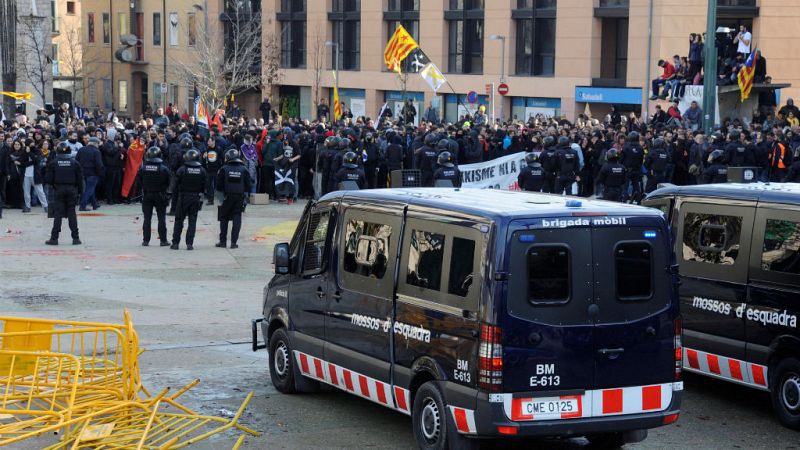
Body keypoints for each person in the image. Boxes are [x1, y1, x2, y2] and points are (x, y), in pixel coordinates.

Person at [45, 142, 83, 245]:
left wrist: (54, 186)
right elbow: (80, 180)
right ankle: (76, 238)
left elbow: (48, 179)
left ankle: (54, 238)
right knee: (72, 213)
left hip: (59, 189)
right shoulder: (75, 163)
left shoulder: (53, 163)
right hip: (72, 190)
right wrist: (80, 192)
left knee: (58, 214)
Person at [171, 149, 207, 250]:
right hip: (195, 197)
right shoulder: (202, 170)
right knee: (192, 220)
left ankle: (175, 243)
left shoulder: (182, 169)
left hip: (183, 197)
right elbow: (205, 185)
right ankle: (189, 243)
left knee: (179, 220)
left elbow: (176, 185)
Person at [216, 149, 251, 249]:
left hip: (227, 196)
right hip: (239, 196)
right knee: (237, 217)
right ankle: (233, 243)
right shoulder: (244, 169)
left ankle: (222, 242)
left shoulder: (224, 169)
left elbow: (218, 185)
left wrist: (221, 196)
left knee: (224, 218)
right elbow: (248, 185)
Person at [136, 147, 171, 247]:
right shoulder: (164, 169)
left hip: (147, 195)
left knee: (147, 218)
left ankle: (145, 240)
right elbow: (168, 182)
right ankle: (163, 241)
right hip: (160, 195)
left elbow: (139, 182)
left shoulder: (143, 168)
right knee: (161, 218)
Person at [76, 137, 104, 211]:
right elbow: (98, 164)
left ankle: (95, 204)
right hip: (93, 173)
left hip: (82, 173)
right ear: (95, 144)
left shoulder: (81, 149)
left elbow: (76, 161)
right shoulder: (96, 151)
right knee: (89, 190)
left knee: (90, 189)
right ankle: (82, 206)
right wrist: (100, 173)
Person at [20, 138, 48, 213]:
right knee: (26, 192)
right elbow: (22, 163)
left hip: (35, 174)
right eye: (30, 143)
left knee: (40, 191)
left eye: (33, 143)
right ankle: (27, 206)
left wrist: (29, 153)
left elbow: (37, 160)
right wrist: (31, 161)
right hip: (26, 175)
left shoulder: (37, 151)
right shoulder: (23, 152)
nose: (32, 145)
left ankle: (45, 206)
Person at [620, 131, 645, 203]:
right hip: (636, 170)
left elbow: (621, 159)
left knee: (625, 187)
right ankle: (638, 201)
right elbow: (641, 160)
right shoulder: (640, 148)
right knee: (636, 186)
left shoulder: (626, 146)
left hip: (627, 170)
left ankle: (624, 201)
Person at [201, 137, 222, 205]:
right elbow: (203, 161)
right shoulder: (206, 149)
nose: (208, 143)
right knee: (209, 185)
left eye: (209, 141)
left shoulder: (219, 149)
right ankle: (210, 200)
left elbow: (222, 159)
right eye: (208, 141)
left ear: (213, 142)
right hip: (209, 170)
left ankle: (221, 199)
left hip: (216, 170)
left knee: (218, 185)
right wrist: (203, 157)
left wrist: (220, 169)